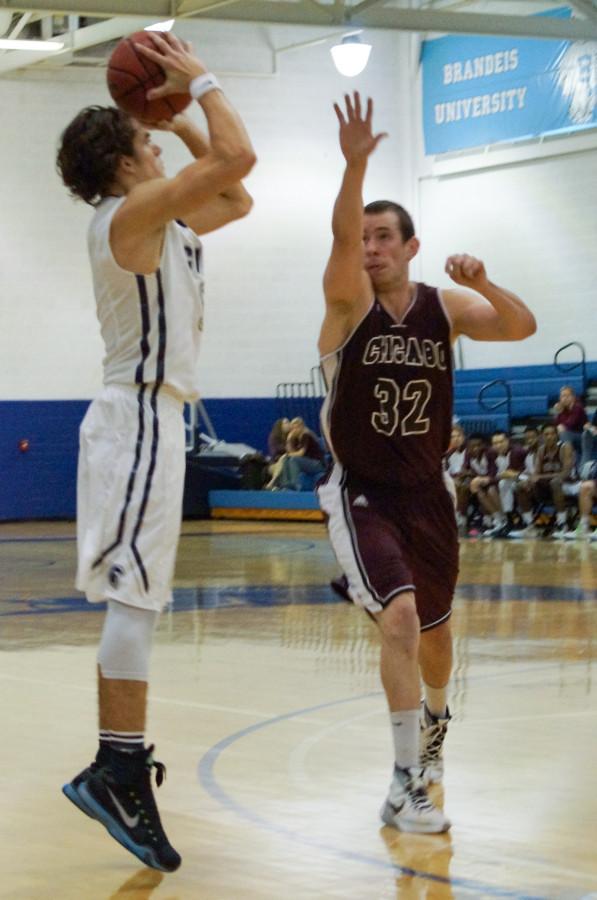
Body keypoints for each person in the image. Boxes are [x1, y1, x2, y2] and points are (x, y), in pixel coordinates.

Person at [57, 31, 256, 871]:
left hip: (151, 422)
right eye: (145, 138)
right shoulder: (130, 214)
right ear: (123, 163)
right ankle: (116, 767)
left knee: (138, 600)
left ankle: (118, 764)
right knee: (134, 602)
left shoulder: (159, 210)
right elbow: (240, 151)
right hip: (136, 417)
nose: (157, 142)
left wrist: (173, 122)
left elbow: (236, 195)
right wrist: (197, 85)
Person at [316, 92, 535, 834]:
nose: (371, 248)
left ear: (411, 247)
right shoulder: (347, 306)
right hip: (362, 491)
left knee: (437, 633)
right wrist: (354, 168)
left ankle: (435, 728)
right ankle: (402, 783)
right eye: (365, 237)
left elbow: (518, 324)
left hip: (426, 493)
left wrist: (483, 280)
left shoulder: (441, 308)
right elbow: (341, 246)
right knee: (403, 619)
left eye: (385, 238)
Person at [510, 424, 576, 539]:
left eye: (552, 433)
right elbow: (536, 474)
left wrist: (541, 477)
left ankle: (562, 524)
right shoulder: (541, 450)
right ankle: (530, 525)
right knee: (520, 486)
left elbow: (565, 473)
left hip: (569, 484)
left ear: (557, 435)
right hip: (547, 486)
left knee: (555, 482)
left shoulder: (565, 447)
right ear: (542, 437)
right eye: (546, 434)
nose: (550, 437)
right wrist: (531, 481)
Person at [268, 417, 326, 490]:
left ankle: (295, 485)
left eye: (296, 428)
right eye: (292, 428)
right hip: (306, 462)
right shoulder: (295, 438)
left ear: (301, 427)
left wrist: (288, 455)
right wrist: (289, 439)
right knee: (286, 459)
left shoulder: (306, 435)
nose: (294, 430)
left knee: (293, 460)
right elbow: (291, 452)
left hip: (317, 463)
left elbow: (301, 453)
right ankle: (285, 486)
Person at [488, 430, 527, 537]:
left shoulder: (517, 451)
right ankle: (506, 520)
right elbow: (493, 474)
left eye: (501, 442)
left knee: (505, 482)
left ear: (508, 441)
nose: (498, 445)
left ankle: (518, 522)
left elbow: (517, 471)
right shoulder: (491, 454)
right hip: (508, 481)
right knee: (499, 485)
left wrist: (507, 474)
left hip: (525, 477)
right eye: (495, 443)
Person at [553, 385, 587, 455]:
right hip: (568, 437)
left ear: (573, 397)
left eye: (568, 396)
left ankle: (567, 458)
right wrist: (558, 412)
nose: (565, 398)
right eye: (563, 396)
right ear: (560, 398)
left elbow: (570, 424)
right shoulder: (563, 409)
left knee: (564, 434)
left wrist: (561, 413)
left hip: (582, 437)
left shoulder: (578, 407)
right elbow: (555, 426)